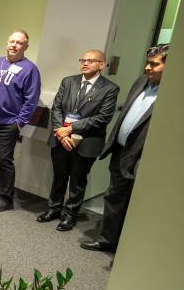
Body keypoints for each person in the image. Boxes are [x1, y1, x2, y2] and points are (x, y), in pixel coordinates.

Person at [80, 44, 169, 252]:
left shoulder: (174, 95)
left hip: (143, 158)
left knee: (137, 205)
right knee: (114, 197)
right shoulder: (141, 82)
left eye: (155, 64)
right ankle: (107, 239)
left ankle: (132, 249)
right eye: (147, 62)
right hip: (121, 152)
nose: (148, 68)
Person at [38, 50, 119, 231]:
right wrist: (62, 133)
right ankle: (54, 209)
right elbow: (57, 108)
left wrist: (72, 128)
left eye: (91, 61)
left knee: (77, 180)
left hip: (87, 142)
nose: (85, 63)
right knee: (59, 177)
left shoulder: (110, 88)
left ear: (102, 65)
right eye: (83, 60)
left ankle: (70, 215)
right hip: (60, 139)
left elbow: (102, 117)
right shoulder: (68, 81)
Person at [0, 29, 41, 212]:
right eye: (12, 41)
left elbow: (31, 100)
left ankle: (5, 197)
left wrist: (19, 123)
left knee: (4, 160)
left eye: (19, 42)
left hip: (7, 124)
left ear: (26, 46)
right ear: (7, 43)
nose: (14, 45)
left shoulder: (30, 69)